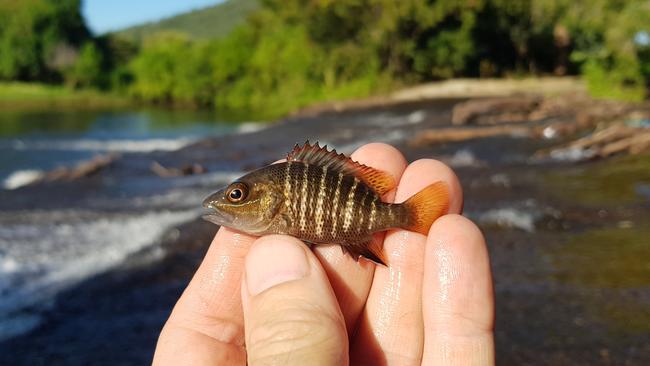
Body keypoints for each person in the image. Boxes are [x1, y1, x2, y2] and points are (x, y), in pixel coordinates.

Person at [152, 143, 495, 365]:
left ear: (269, 199)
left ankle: (411, 215)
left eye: (237, 195)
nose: (221, 204)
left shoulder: (280, 201)